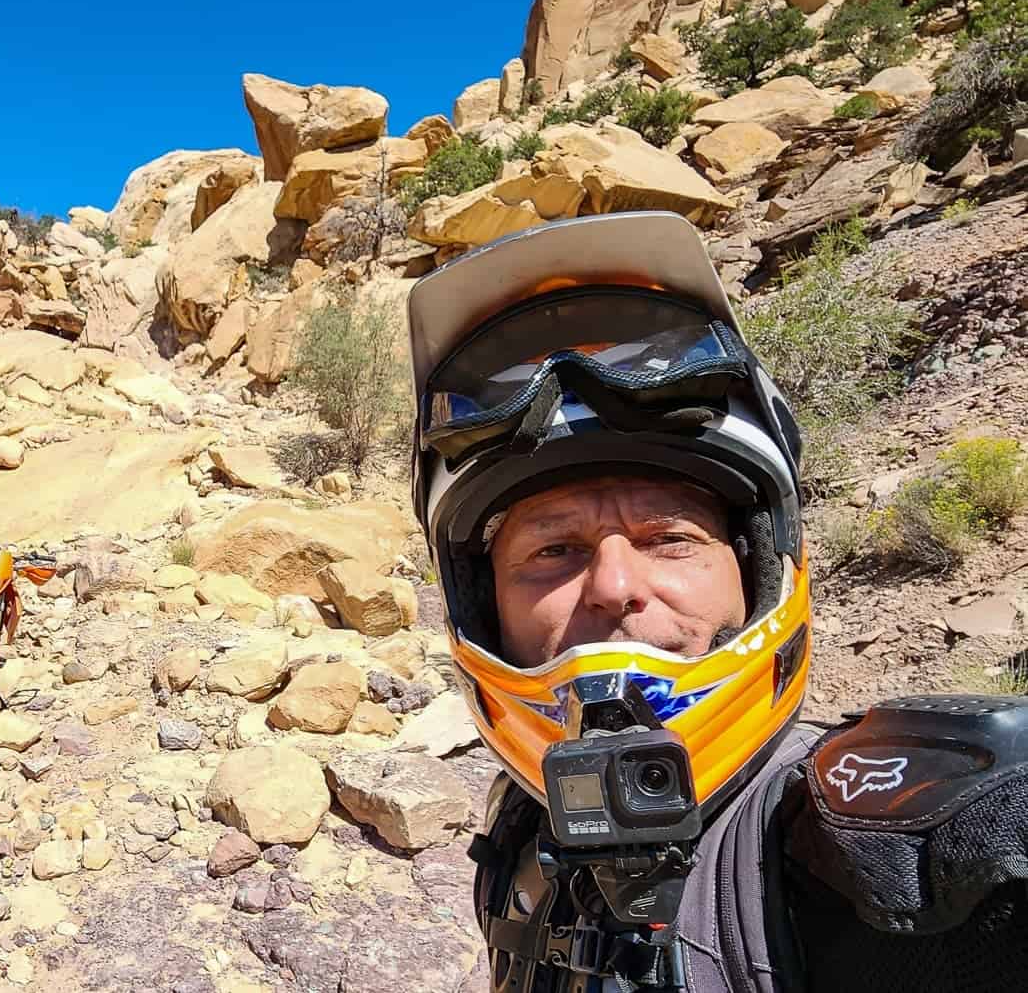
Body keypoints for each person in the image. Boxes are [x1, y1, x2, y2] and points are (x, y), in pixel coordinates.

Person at [406, 212, 1028, 993]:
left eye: (670, 539)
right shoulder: (524, 818)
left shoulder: (896, 856)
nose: (615, 586)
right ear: (479, 599)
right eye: (553, 552)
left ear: (759, 566)